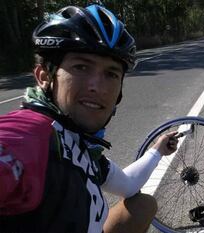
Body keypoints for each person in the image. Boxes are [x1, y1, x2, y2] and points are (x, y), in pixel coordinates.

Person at [0, 4, 178, 233]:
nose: (98, 87)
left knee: (143, 205)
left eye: (111, 73)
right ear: (44, 76)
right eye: (81, 66)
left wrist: (157, 150)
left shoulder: (82, 144)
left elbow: (129, 184)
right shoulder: (29, 134)